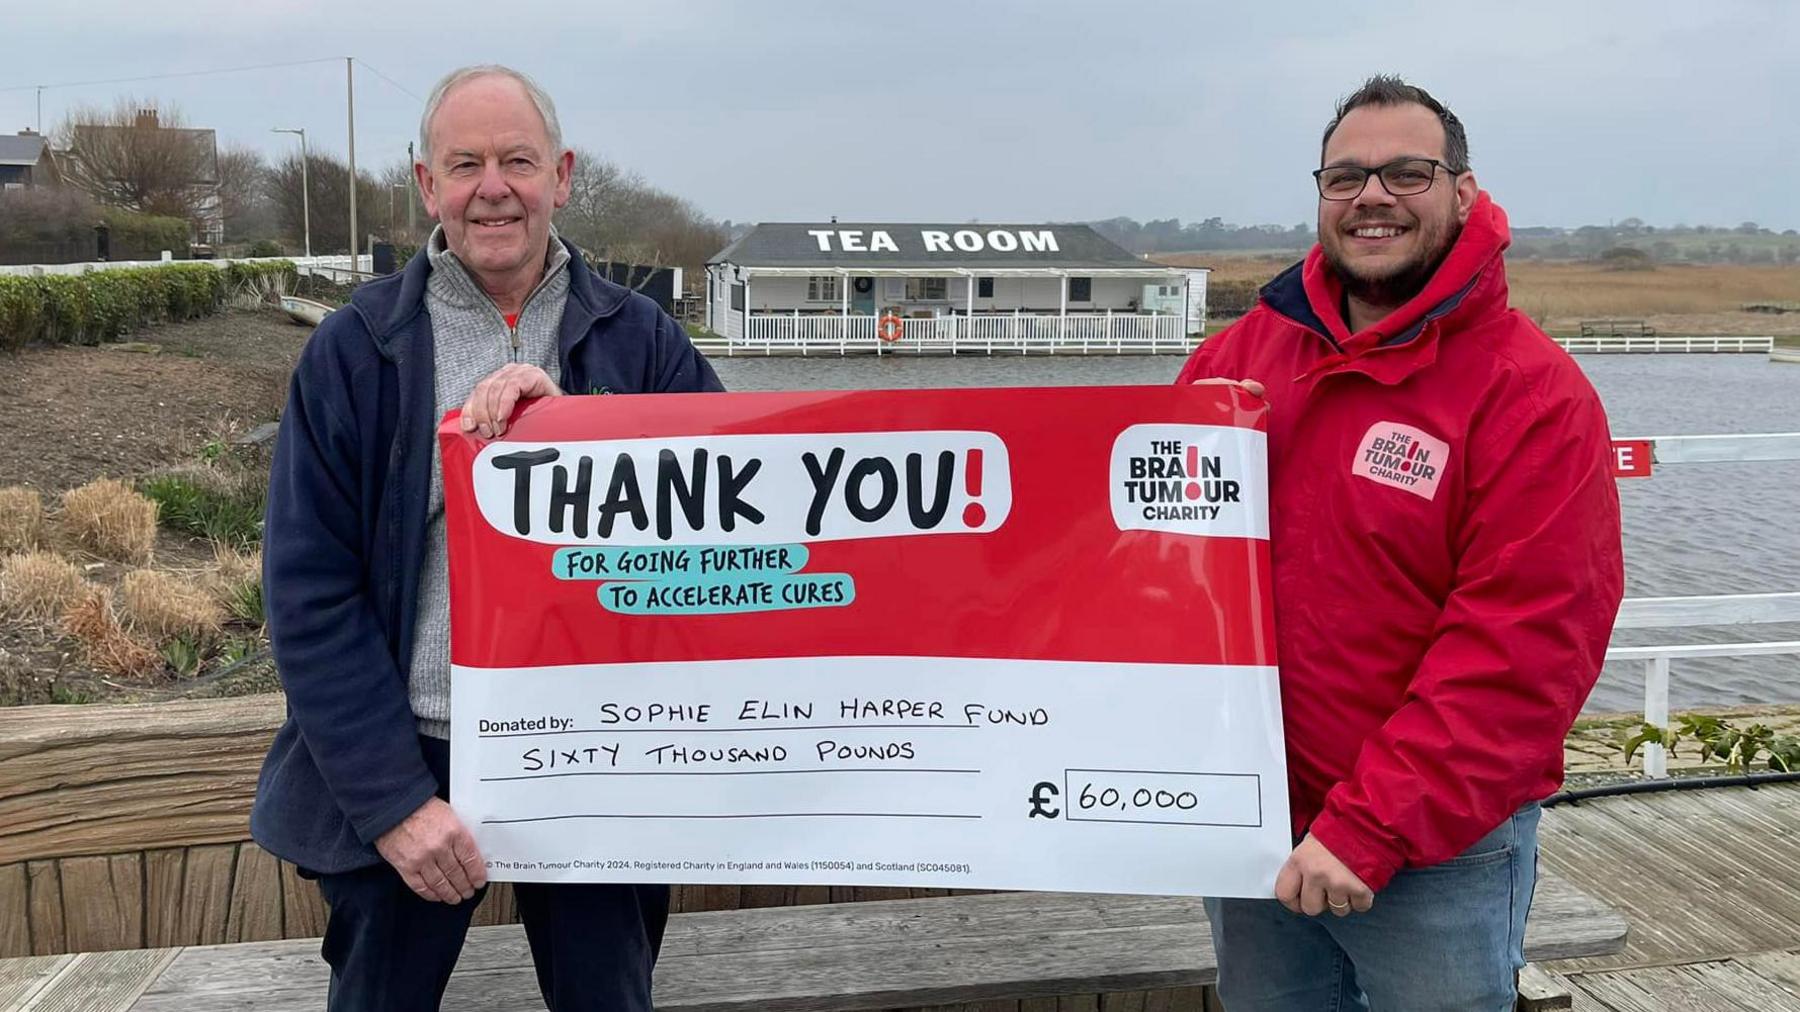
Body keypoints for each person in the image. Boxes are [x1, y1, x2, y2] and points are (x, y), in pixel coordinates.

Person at [250, 64, 722, 1012]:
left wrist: (587, 425)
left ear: (563, 174)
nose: (493, 187)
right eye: (465, 164)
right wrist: (390, 802)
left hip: (597, 753)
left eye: (517, 159)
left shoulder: (644, 341)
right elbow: (309, 592)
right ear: (427, 184)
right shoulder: (353, 350)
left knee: (610, 999)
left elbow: (729, 517)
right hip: (413, 749)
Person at [1177, 76, 1624, 1010]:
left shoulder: (1529, 396)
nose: (1371, 196)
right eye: (1345, 177)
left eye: (1406, 173)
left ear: (1463, 192)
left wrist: (1371, 826)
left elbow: (1523, 651)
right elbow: (1155, 564)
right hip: (1259, 835)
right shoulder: (1236, 363)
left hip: (1434, 848)